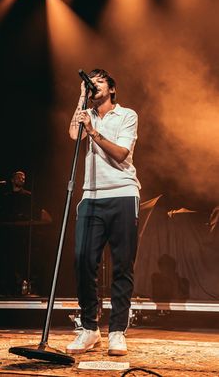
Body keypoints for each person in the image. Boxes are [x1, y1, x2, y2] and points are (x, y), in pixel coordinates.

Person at [66, 69, 140, 356]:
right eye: (89, 82)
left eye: (98, 81)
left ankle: (117, 331)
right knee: (83, 259)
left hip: (122, 193)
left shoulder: (127, 115)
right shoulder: (86, 113)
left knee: (122, 264)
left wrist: (94, 132)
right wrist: (81, 98)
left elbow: (121, 153)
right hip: (91, 196)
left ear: (112, 88)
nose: (92, 85)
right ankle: (89, 328)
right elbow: (74, 133)